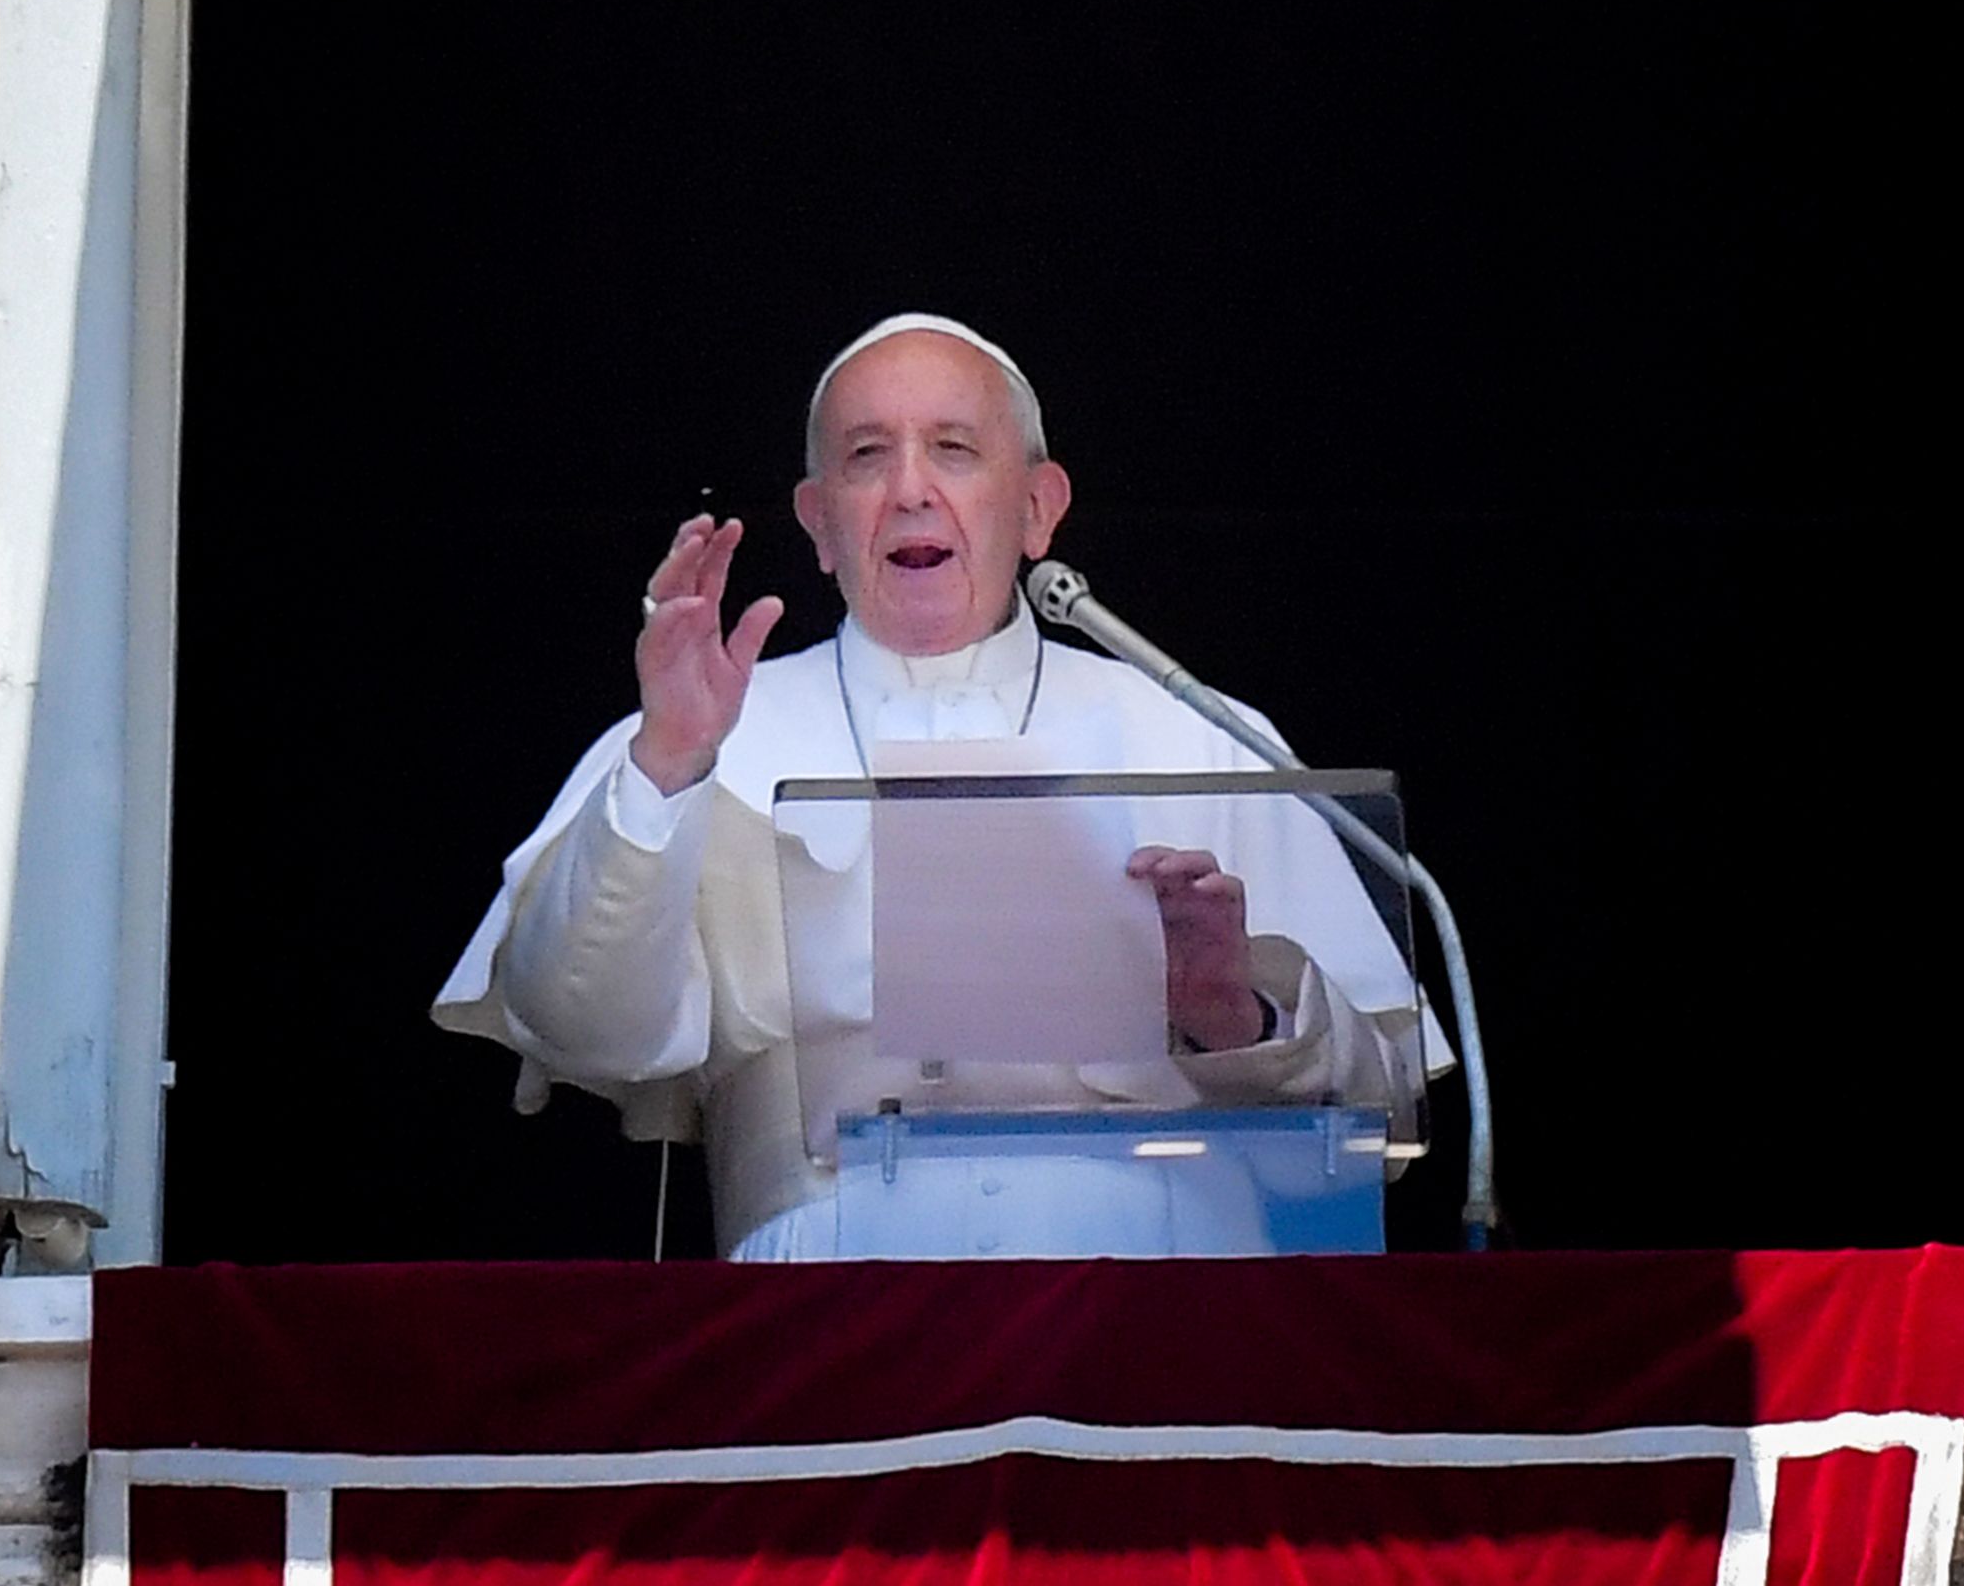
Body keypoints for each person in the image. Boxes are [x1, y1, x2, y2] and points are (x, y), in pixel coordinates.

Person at [434, 314, 1424, 1258]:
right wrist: (667, 767)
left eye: (953, 448)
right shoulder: (703, 739)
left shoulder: (1201, 735)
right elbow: (579, 1025)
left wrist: (1233, 1013)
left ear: (1038, 508)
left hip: (1157, 1313)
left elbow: (1377, 1121)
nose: (910, 488)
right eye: (867, 455)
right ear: (820, 525)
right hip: (819, 1317)